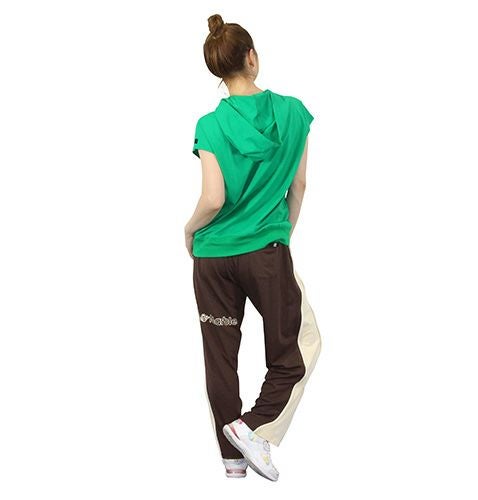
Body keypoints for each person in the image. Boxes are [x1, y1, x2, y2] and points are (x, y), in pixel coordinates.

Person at [184, 13, 322, 481]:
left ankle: (232, 459)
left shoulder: (209, 124)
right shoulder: (294, 114)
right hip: (265, 252)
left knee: (220, 356)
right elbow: (298, 187)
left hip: (212, 257)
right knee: (300, 345)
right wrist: (281, 235)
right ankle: (253, 428)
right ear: (252, 58)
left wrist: (189, 231)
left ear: (217, 71)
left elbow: (213, 199)